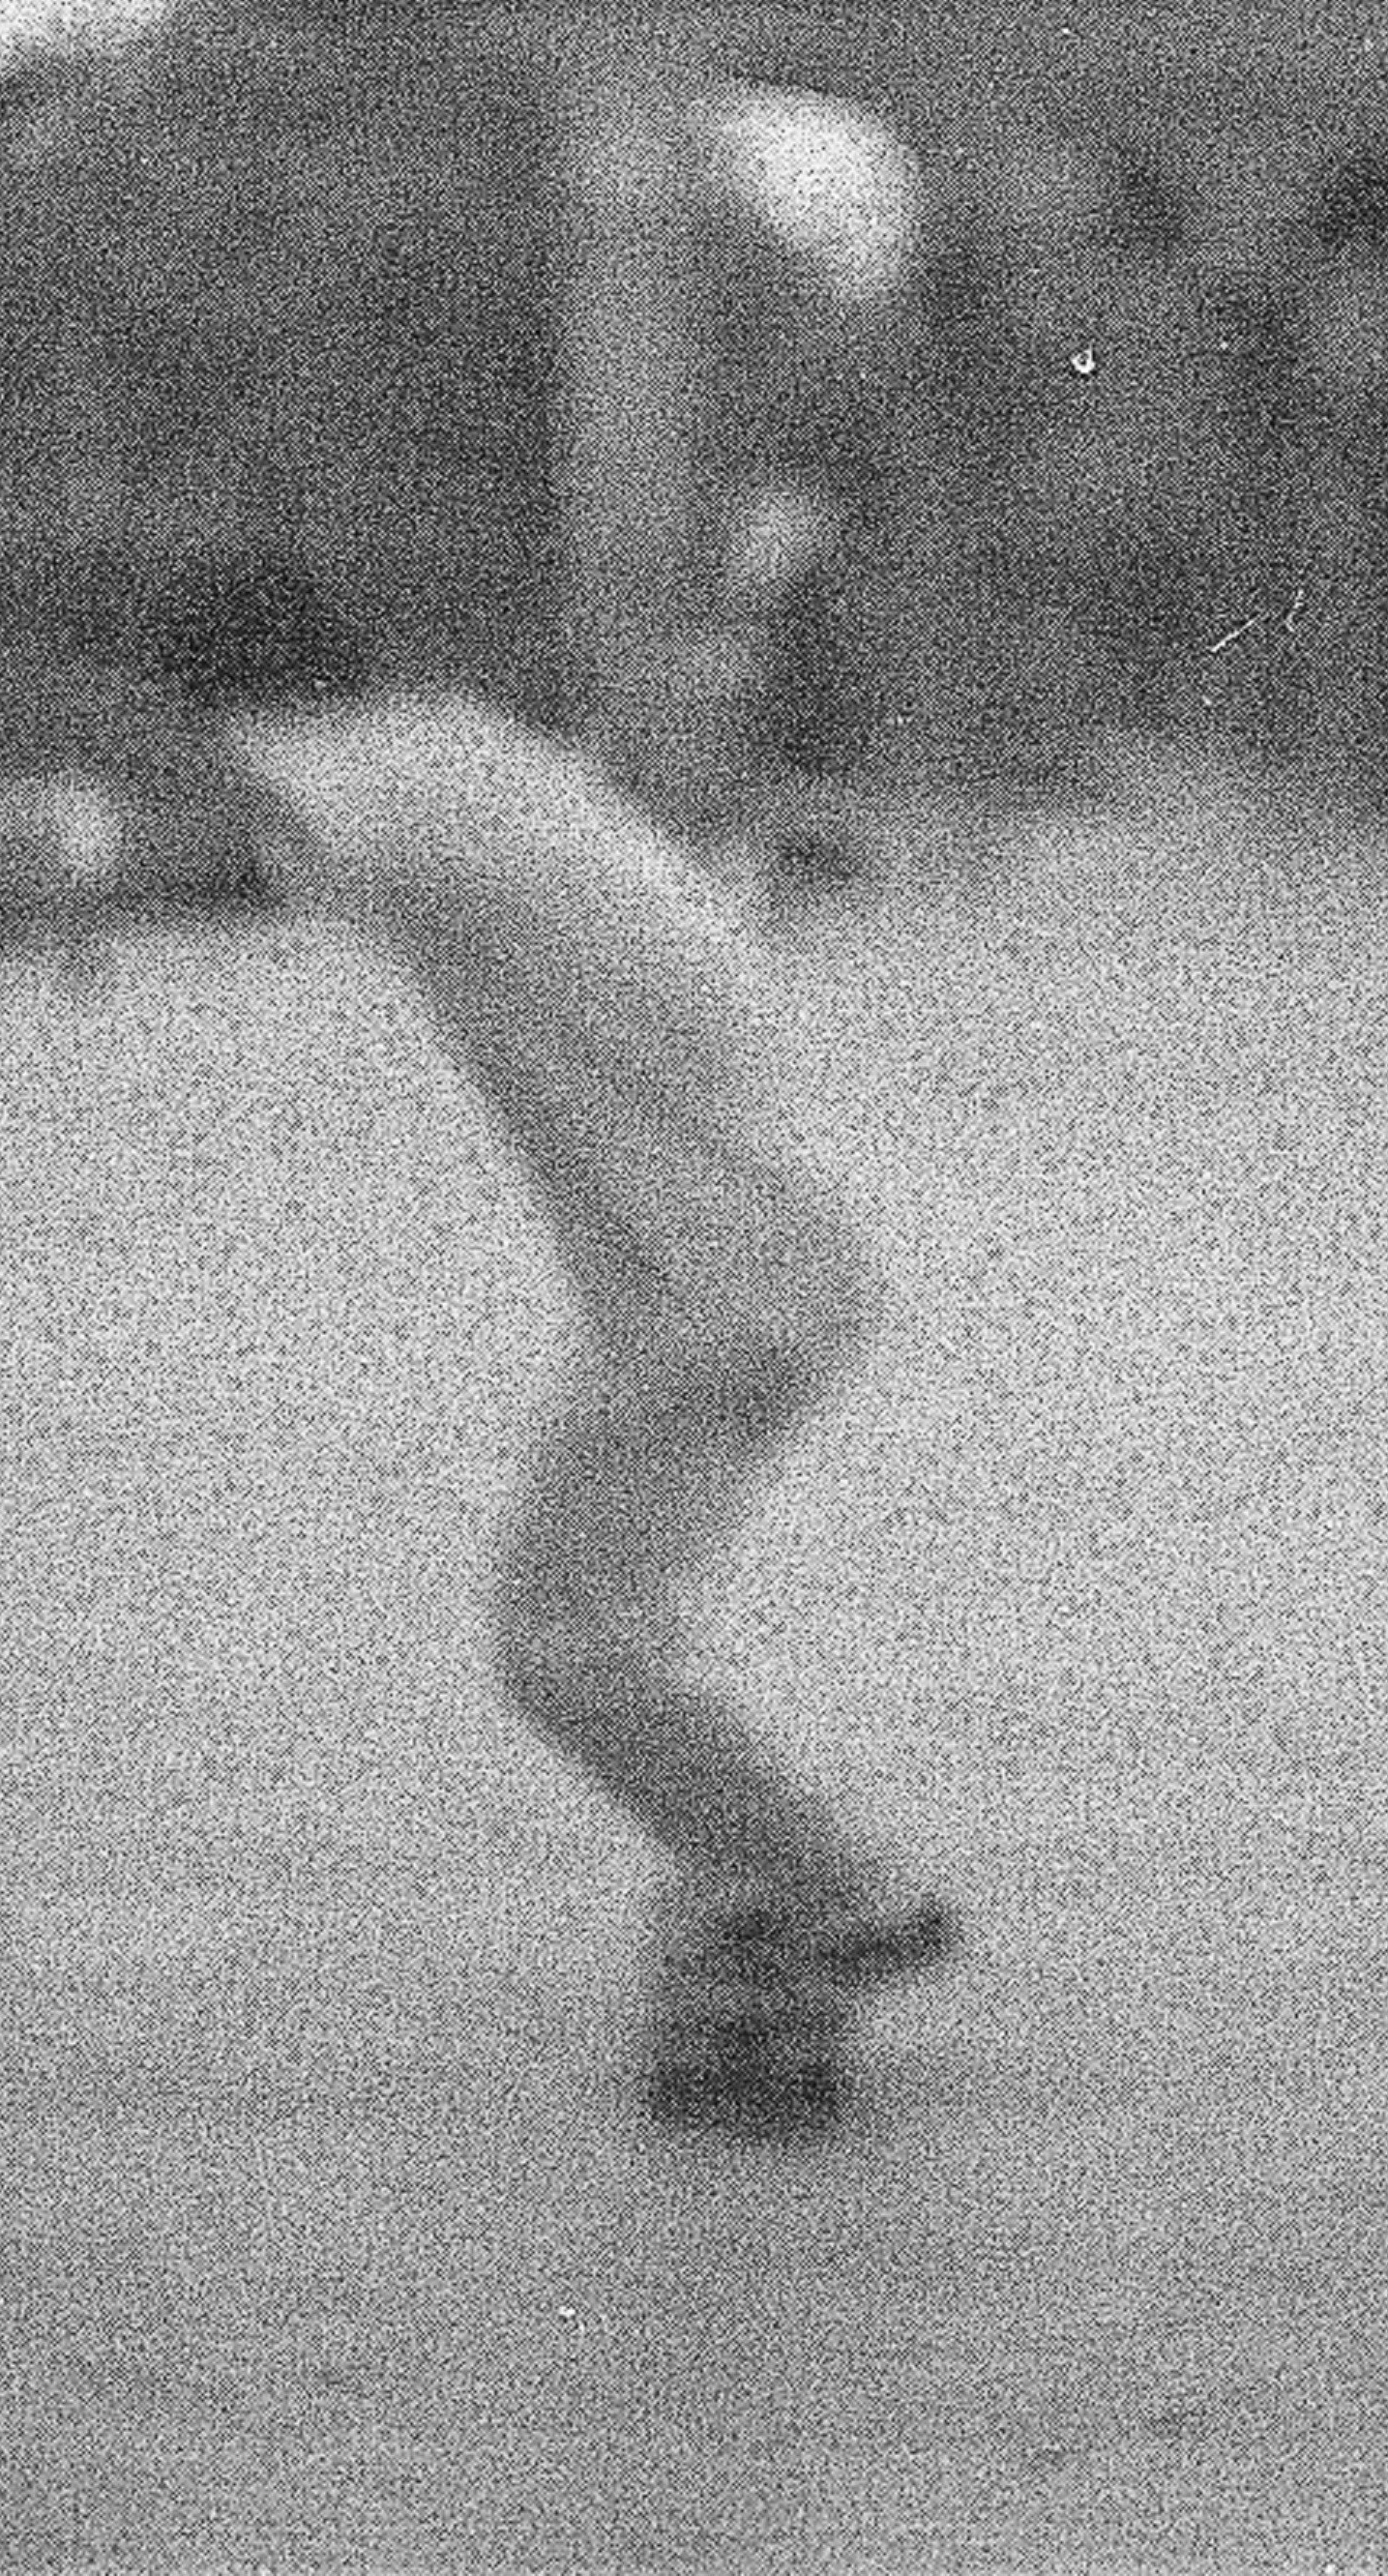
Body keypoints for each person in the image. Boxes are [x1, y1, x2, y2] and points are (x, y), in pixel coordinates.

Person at [120, 673, 957, 2102]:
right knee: (606, 1637)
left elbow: (215, 849)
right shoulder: (469, 751)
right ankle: (755, 1917)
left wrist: (62, 860)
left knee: (569, 1646)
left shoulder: (377, 782)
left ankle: (830, 1892)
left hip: (706, 1289)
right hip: (757, 1259)